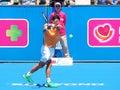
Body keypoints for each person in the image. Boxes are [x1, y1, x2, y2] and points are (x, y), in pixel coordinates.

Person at [23, 15, 61, 88]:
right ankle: (27, 74)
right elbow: (44, 30)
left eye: (58, 20)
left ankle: (48, 81)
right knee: (42, 64)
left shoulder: (59, 26)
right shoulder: (46, 25)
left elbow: (59, 27)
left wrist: (53, 26)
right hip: (46, 48)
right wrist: (47, 28)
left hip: (52, 49)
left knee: (49, 64)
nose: (57, 22)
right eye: (55, 20)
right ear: (52, 20)